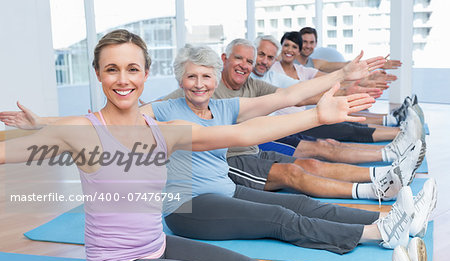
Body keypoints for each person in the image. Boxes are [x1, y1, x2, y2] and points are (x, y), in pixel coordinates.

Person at [0, 29, 430, 261]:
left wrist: (319, 112)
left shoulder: (160, 130)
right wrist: (38, 126)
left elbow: (244, 134)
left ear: (146, 74)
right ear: (98, 74)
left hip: (156, 246)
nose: (123, 79)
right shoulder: (83, 130)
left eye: (132, 68)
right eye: (111, 70)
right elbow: (10, 150)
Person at [154, 39, 422, 198]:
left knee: (323, 150)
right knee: (312, 158)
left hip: (259, 144)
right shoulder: (183, 96)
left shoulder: (246, 92)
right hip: (233, 160)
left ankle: (385, 171)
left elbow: (289, 96)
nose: (246, 65)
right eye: (239, 58)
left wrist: (342, 81)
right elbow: (153, 111)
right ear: (224, 60)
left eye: (252, 60)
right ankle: (380, 178)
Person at [251, 35, 425, 165]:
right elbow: (298, 97)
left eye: (269, 57)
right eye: (261, 55)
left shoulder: (294, 70)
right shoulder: (264, 74)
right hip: (289, 124)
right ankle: (397, 139)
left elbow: (308, 89)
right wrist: (345, 89)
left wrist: (348, 88)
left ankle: (398, 139)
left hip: (297, 121)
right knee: (335, 138)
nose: (265, 61)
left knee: (345, 128)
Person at [296, 27, 402, 73]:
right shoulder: (287, 60)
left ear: (316, 44)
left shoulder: (316, 64)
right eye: (305, 42)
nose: (308, 46)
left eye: (311, 42)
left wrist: (377, 64)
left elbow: (346, 65)